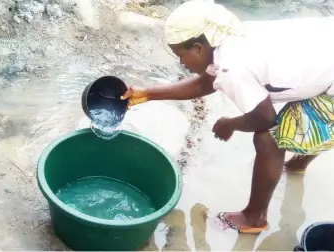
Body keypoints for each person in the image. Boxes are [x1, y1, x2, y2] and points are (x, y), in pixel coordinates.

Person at [121, 0, 334, 234]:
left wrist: (229, 124)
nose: (182, 63)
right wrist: (148, 93)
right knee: (297, 124)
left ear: (199, 48)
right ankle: (299, 162)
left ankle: (254, 218)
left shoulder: (232, 66)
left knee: (268, 141)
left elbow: (265, 119)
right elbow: (207, 82)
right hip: (325, 57)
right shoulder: (229, 40)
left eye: (181, 55)